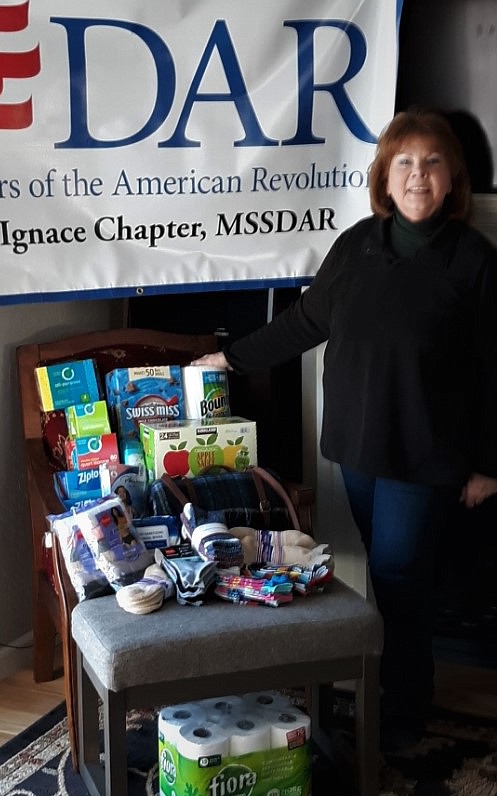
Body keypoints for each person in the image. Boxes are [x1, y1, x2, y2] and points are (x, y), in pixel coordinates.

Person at [192, 108, 497, 732]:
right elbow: (305, 322)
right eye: (405, 162)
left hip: (430, 454)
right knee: (390, 573)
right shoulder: (356, 245)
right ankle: (395, 688)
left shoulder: (474, 260)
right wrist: (230, 355)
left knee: (399, 573)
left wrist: (489, 464)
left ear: (452, 180)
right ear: (385, 178)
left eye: (433, 162)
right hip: (360, 447)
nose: (418, 175)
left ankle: (405, 705)